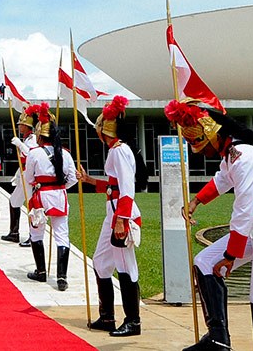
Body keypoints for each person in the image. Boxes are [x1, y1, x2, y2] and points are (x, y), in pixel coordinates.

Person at [165, 99, 253, 351]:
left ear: (211, 133)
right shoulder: (231, 155)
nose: (197, 149)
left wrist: (230, 256)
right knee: (205, 262)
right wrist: (197, 200)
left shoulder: (244, 157)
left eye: (198, 142)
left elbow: (243, 209)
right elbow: (222, 178)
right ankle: (218, 340)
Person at [76, 95, 142, 337]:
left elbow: (127, 189)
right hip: (112, 213)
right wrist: (88, 180)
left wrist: (122, 221)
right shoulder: (117, 151)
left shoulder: (119, 151)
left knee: (126, 266)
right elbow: (113, 186)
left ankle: (133, 321)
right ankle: (107, 317)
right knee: (101, 262)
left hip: (120, 215)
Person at [21, 103, 77, 291]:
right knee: (62, 235)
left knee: (36, 233)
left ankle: (41, 271)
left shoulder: (34, 153)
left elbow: (28, 178)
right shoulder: (65, 154)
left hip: (41, 196)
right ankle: (62, 277)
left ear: (39, 135)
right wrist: (60, 187)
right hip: (59, 195)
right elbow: (72, 178)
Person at [4, 104, 39, 244]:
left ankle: (34, 236)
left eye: (21, 124)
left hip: (31, 176)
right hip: (24, 174)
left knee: (32, 206)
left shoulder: (34, 139)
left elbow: (32, 155)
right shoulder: (27, 139)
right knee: (14, 201)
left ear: (27, 126)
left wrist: (20, 145)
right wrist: (18, 174)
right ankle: (14, 232)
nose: (19, 126)